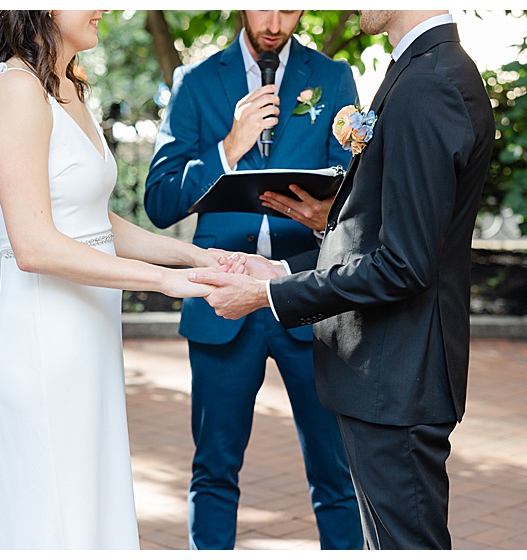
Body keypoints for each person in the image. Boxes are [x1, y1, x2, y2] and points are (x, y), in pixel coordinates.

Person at [191, 10, 494, 549]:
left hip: (398, 374)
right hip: (388, 372)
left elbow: (403, 264)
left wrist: (268, 293)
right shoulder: (420, 70)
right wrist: (284, 268)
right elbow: (383, 235)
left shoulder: (429, 83)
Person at [0, 10, 229, 550]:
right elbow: (33, 246)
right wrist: (161, 282)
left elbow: (91, 222)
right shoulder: (15, 90)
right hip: (43, 339)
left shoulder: (68, 84)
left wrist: (192, 256)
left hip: (87, 337)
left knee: (92, 509)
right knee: (56, 518)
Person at [144, 10, 361, 550]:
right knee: (214, 470)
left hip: (309, 299)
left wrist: (326, 211)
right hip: (220, 301)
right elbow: (159, 201)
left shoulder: (333, 78)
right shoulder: (196, 82)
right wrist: (228, 148)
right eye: (265, 5)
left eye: (290, 7)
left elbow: (357, 191)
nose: (275, 20)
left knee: (336, 474)